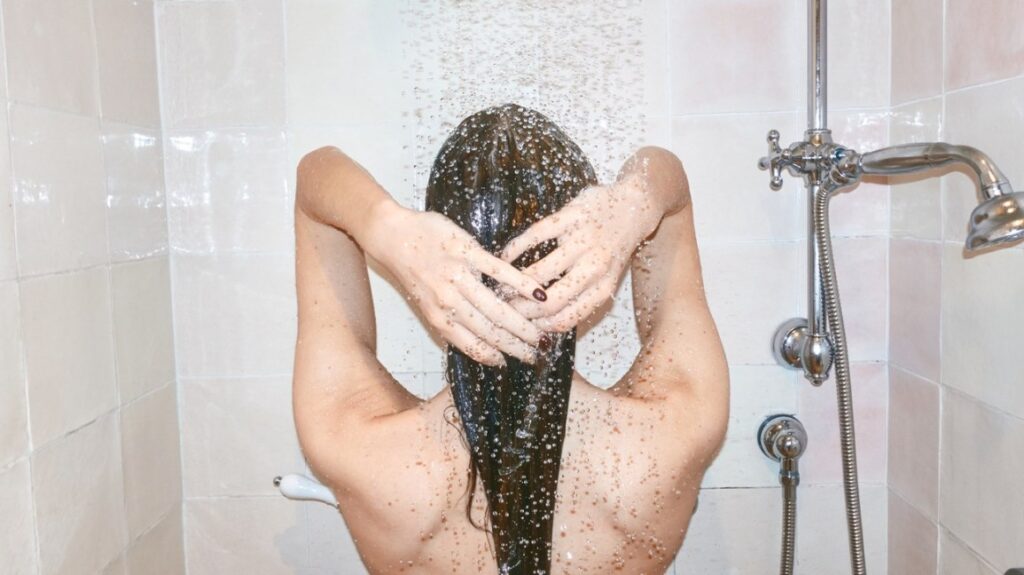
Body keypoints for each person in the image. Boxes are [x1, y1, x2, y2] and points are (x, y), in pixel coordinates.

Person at [292, 104, 729, 575]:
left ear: (433, 254)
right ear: (591, 257)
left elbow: (314, 184)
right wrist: (636, 198)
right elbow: (673, 193)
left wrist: (384, 227)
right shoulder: (671, 436)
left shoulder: (362, 453)